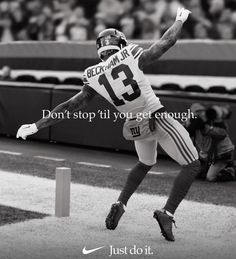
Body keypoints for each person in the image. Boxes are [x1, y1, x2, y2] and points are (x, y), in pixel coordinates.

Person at [16, 7, 200, 242]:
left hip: (134, 125)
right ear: (120, 43)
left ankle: (120, 203)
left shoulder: (93, 74)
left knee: (145, 163)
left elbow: (70, 106)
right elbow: (165, 43)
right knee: (193, 164)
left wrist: (36, 125)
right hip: (156, 117)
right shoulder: (130, 53)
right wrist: (179, 21)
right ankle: (167, 213)